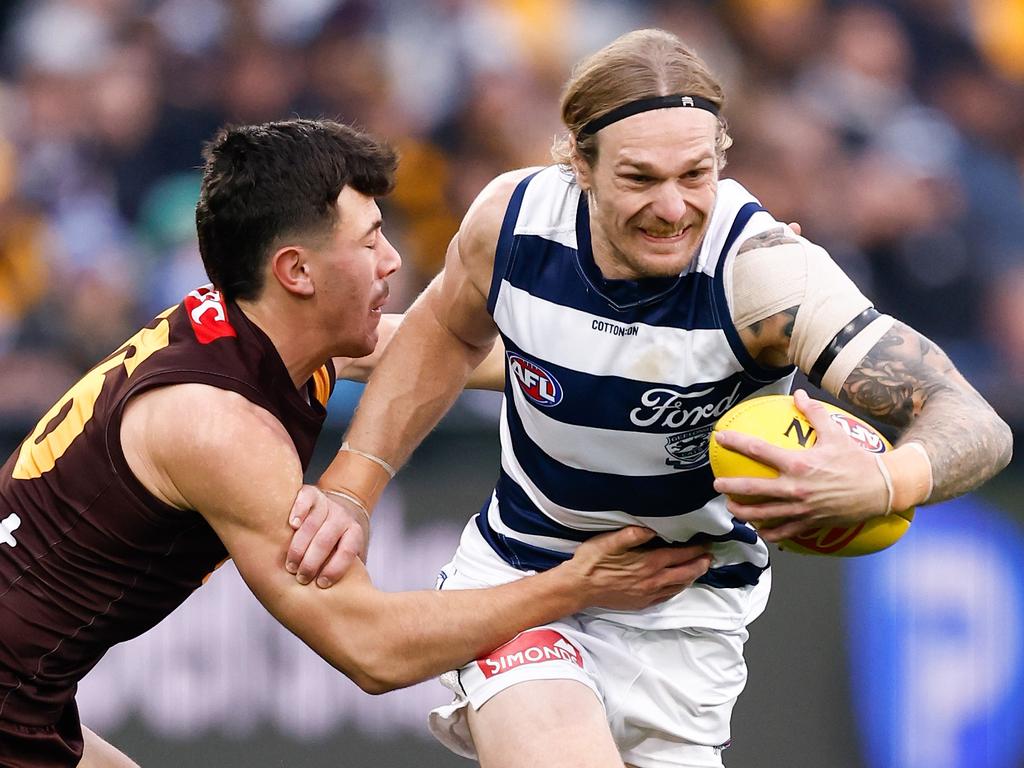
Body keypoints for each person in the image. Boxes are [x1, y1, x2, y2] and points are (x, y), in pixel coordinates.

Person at [299, 29, 1013, 768]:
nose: (673, 208)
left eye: (694, 174)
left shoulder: (765, 275)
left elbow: (973, 420)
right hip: (523, 573)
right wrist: (351, 487)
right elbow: (446, 332)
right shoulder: (512, 224)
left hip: (687, 613)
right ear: (577, 161)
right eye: (640, 178)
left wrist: (885, 480)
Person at [0, 118, 715, 768]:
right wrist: (572, 587)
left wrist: (702, 341)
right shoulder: (218, 426)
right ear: (297, 271)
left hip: (28, 696)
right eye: (371, 239)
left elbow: (470, 349)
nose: (393, 261)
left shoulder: (262, 333)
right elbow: (371, 648)